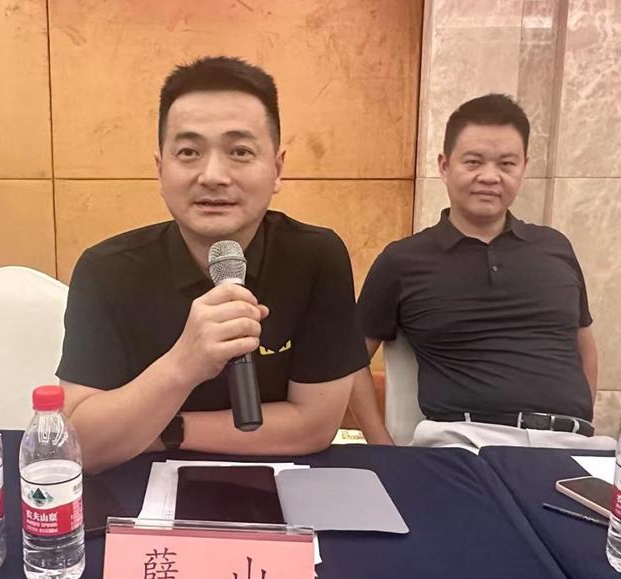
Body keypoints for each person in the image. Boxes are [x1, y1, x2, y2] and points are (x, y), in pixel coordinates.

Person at [57, 56, 393, 472]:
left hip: (278, 481)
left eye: (240, 151)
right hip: (136, 488)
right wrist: (183, 364)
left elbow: (313, 427)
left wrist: (166, 430)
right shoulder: (106, 270)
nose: (213, 175)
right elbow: (79, 444)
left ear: (277, 169)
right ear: (160, 170)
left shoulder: (316, 257)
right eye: (189, 152)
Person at [357, 93, 614, 450]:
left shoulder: (555, 247)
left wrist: (577, 424)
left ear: (524, 166)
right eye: (474, 162)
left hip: (570, 443)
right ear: (444, 166)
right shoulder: (402, 260)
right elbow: (350, 360)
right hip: (462, 444)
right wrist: (383, 449)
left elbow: (584, 348)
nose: (490, 177)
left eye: (506, 164)